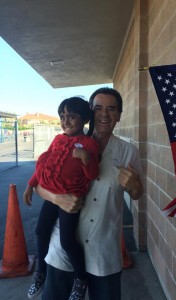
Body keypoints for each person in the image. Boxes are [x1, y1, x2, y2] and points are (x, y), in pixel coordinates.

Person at [36, 87, 144, 300]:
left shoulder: (128, 152)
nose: (104, 114)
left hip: (103, 253)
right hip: (62, 250)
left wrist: (135, 185)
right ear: (89, 112)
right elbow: (41, 185)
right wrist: (57, 198)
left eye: (111, 109)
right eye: (98, 108)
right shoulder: (67, 144)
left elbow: (137, 194)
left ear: (119, 116)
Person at [23, 97, 99, 300]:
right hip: (52, 195)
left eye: (71, 116)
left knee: (67, 240)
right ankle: (41, 272)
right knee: (40, 231)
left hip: (71, 198)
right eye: (62, 116)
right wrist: (31, 185)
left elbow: (92, 175)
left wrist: (85, 159)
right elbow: (45, 164)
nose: (65, 121)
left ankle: (80, 278)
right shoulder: (57, 139)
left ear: (83, 119)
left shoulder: (89, 143)